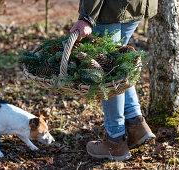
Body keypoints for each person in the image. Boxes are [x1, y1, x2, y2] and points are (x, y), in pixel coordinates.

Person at [70, 0, 158, 161]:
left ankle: (115, 140)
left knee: (107, 72)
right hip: (135, 4)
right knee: (116, 64)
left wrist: (87, 17)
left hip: (108, 8)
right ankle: (135, 124)